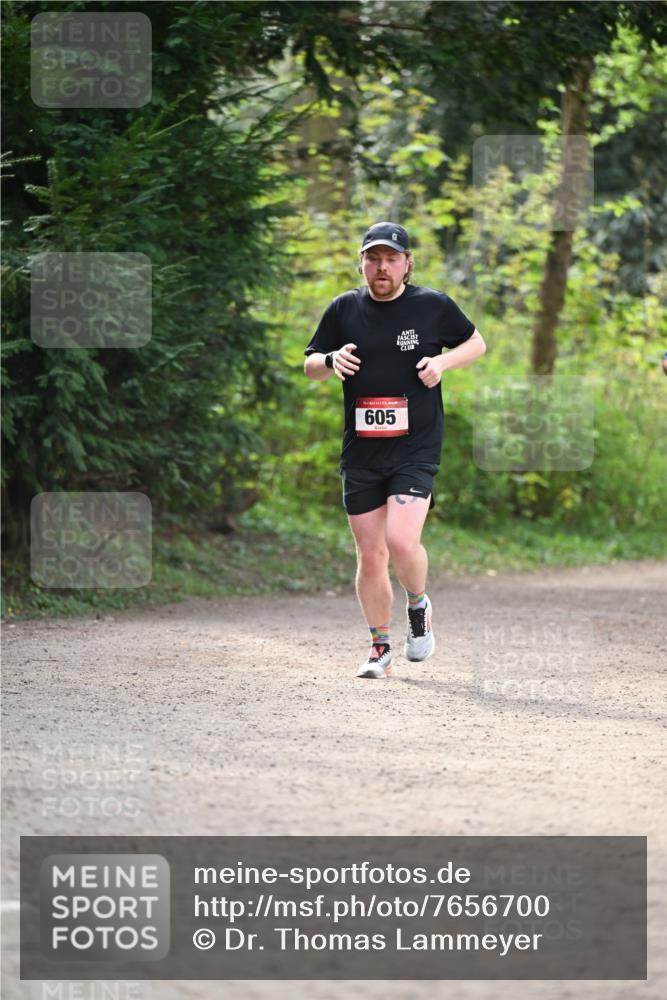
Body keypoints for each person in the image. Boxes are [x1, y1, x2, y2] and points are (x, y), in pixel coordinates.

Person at [304, 222, 486, 678]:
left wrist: (442, 362)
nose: (381, 267)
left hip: (415, 447)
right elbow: (310, 363)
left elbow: (476, 342)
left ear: (407, 263)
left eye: (391, 258)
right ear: (362, 263)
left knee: (401, 541)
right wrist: (328, 361)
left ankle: (419, 605)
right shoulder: (344, 309)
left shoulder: (431, 306)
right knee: (370, 555)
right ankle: (379, 649)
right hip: (362, 452)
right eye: (373, 258)